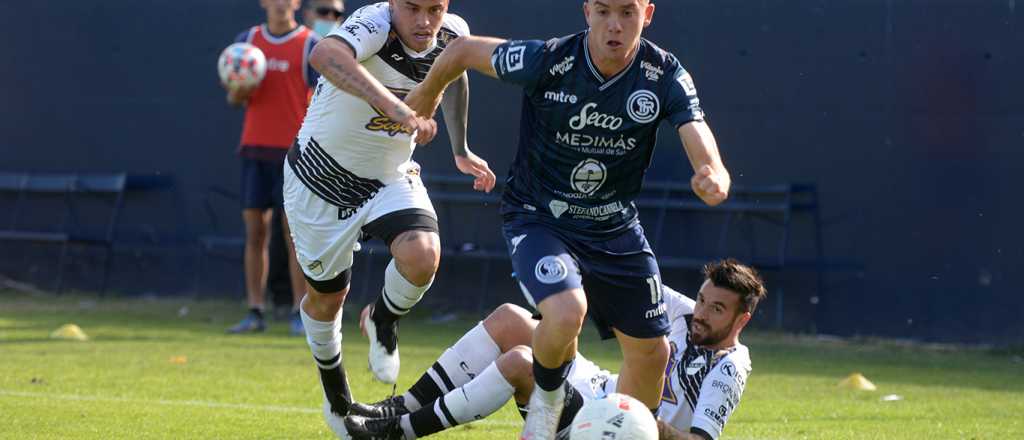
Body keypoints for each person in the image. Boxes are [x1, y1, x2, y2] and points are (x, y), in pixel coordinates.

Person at [403, 0, 732, 437]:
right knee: (564, 311)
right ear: (586, 12)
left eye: (627, 13)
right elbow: (461, 50)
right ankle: (544, 414)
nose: (614, 25)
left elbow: (695, 127)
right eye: (603, 11)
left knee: (654, 353)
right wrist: (425, 95)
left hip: (614, 229)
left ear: (647, 14)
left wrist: (713, 170)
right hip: (541, 219)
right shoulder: (549, 60)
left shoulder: (664, 74)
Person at [283, 0, 496, 436]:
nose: (424, 21)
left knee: (423, 256)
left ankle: (382, 319)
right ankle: (339, 400)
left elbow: (452, 73)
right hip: (321, 177)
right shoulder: (373, 24)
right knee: (327, 300)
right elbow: (324, 55)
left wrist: (460, 149)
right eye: (412, 8)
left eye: (434, 9)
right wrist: (399, 109)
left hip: (389, 176)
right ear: (394, 4)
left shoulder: (451, 32)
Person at [344, 259, 765, 440]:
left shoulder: (730, 367)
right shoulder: (684, 311)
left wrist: (648, 423)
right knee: (511, 317)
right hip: (600, 388)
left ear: (740, 320)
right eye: (703, 300)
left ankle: (400, 431)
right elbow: (629, 282)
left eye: (717, 309)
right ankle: (398, 408)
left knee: (521, 365)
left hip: (611, 427)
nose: (702, 313)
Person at [224, 0, 320, 335]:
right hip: (254, 149)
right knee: (255, 232)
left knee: (293, 236)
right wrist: (238, 89)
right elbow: (235, 98)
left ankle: (299, 312)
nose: (281, 3)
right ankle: (255, 311)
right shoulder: (247, 41)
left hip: (294, 154)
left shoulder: (311, 43)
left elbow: (323, 96)